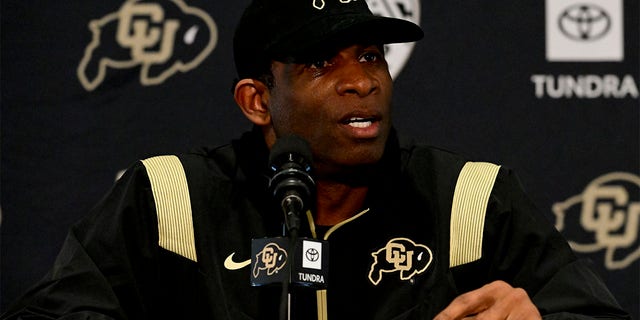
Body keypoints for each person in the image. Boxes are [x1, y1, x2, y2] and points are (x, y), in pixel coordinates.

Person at [1, 0, 631, 319]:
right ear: (256, 101)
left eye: (371, 56)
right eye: (322, 64)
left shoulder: (471, 197)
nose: (362, 81)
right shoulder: (170, 200)